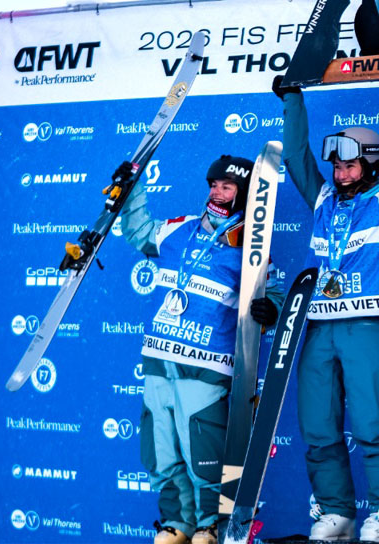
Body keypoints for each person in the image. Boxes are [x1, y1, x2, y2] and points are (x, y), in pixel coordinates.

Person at [271, 54, 379, 541]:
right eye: (335, 164)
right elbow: (295, 158)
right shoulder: (322, 200)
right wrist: (293, 98)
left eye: (349, 164)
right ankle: (336, 511)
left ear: (373, 163)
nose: (338, 172)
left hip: (366, 325)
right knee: (317, 424)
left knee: (373, 422)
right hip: (316, 325)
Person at [116, 155, 285, 544]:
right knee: (161, 449)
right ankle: (177, 523)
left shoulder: (250, 246)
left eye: (227, 187)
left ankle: (210, 524)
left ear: (242, 195)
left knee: (201, 451)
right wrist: (132, 188)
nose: (217, 192)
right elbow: (140, 230)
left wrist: (270, 308)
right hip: (160, 360)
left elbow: (272, 290)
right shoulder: (181, 229)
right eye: (213, 184)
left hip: (208, 363)